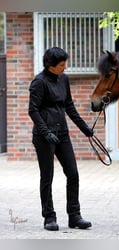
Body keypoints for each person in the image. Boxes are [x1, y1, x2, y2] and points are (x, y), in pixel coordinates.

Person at [28, 47, 93, 231]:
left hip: (62, 134)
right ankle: (49, 217)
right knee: (47, 177)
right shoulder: (39, 82)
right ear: (51, 66)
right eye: (62, 65)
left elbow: (69, 106)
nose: (65, 67)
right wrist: (45, 132)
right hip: (44, 136)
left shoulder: (63, 79)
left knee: (73, 173)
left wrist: (84, 128)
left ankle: (74, 216)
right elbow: (33, 110)